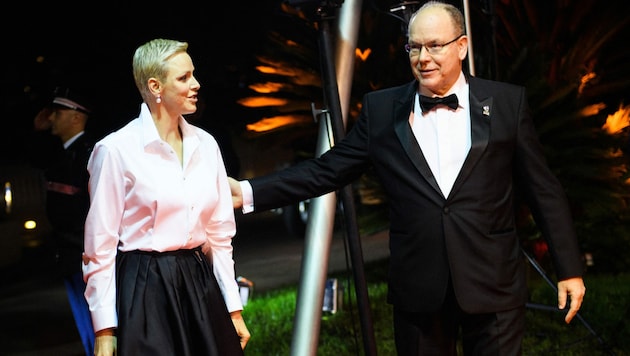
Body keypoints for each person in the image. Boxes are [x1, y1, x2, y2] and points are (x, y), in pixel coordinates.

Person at [230, 1, 586, 354]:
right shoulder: (382, 110)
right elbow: (326, 170)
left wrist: (569, 268)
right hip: (419, 290)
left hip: (493, 282)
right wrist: (247, 192)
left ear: (461, 46)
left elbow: (544, 190)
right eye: (414, 47)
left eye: (434, 45)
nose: (423, 57)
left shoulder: (508, 103)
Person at [82, 38, 250, 355]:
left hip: (199, 283)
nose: (196, 84)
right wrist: (104, 329)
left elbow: (220, 234)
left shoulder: (206, 144)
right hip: (145, 288)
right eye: (184, 78)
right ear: (155, 86)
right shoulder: (116, 150)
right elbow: (99, 247)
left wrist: (233, 308)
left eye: (194, 74)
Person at [28, 86, 96, 356]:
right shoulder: (61, 153)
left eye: (58, 113)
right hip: (69, 253)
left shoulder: (90, 153)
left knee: (100, 324)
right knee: (86, 322)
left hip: (86, 253)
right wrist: (36, 129)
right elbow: (33, 158)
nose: (52, 119)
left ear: (76, 117)